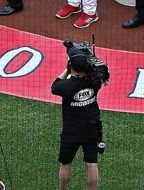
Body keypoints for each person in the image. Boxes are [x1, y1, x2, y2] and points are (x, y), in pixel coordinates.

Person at [52, 50, 104, 190]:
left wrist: (66, 70)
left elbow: (54, 86)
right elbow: (100, 71)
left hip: (71, 132)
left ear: (71, 66)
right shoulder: (95, 82)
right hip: (91, 129)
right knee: (92, 163)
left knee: (65, 163)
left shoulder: (65, 86)